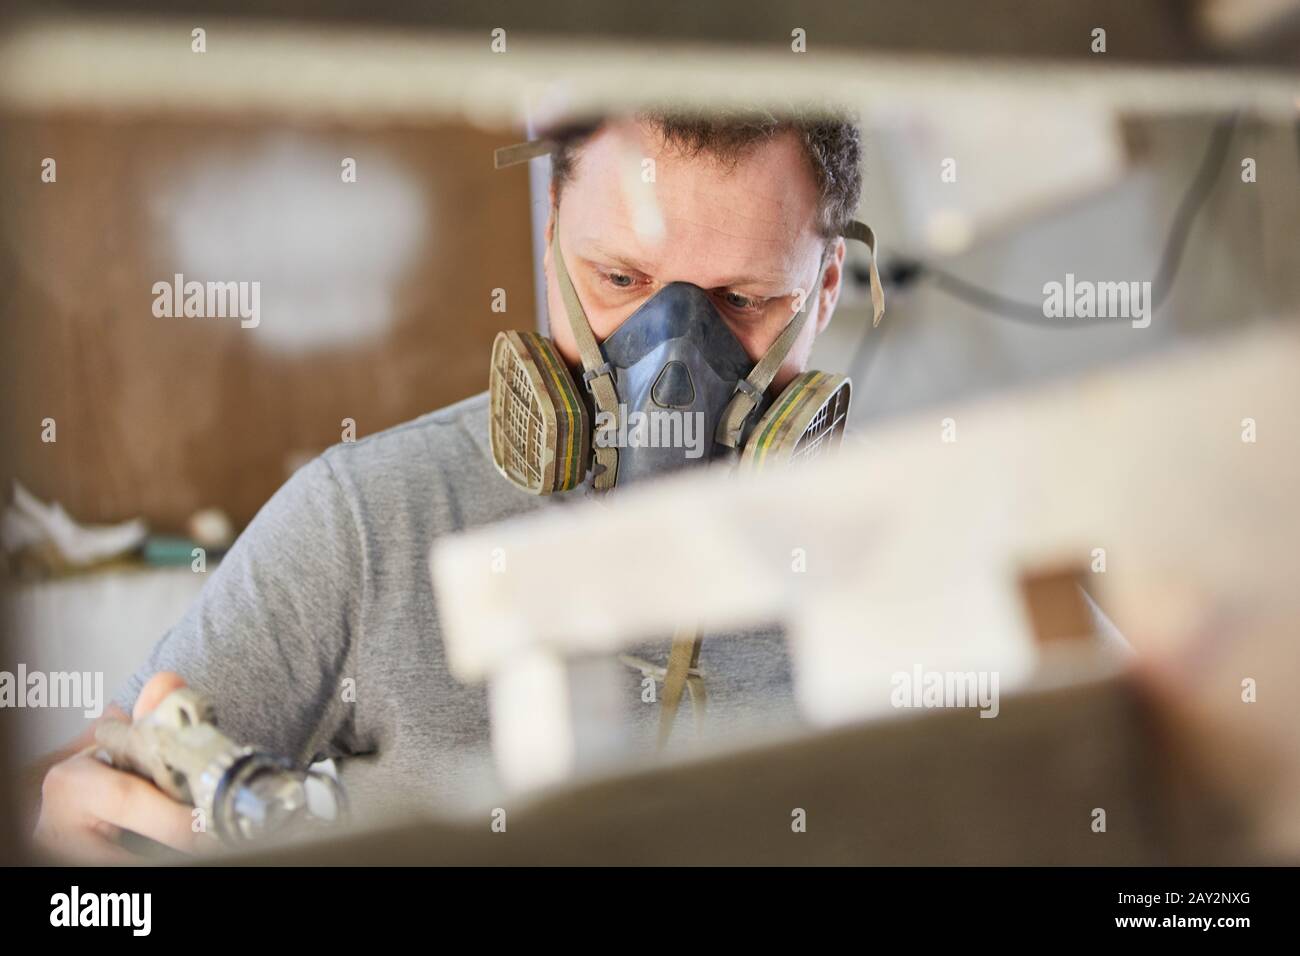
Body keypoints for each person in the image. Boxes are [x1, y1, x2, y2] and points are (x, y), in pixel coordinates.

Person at [29, 109, 1122, 861]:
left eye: (740, 299)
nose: (673, 352)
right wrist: (82, 844)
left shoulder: (941, 534)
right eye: (619, 281)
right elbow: (116, 792)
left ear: (828, 284)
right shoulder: (365, 520)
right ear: (550, 233)